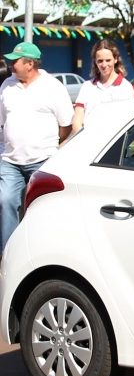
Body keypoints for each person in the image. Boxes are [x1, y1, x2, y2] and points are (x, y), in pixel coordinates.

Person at [0, 41, 74, 249]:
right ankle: (8, 253)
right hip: (10, 161)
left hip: (42, 161)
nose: (10, 64)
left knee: (42, 207)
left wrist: (52, 145)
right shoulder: (7, 86)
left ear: (30, 64)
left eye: (15, 61)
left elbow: (66, 124)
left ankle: (42, 249)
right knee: (6, 201)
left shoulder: (53, 87)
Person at [71, 39, 134, 133]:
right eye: (100, 61)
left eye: (108, 60)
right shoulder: (87, 87)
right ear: (95, 62)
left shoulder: (125, 87)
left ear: (115, 59)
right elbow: (77, 121)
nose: (104, 65)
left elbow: (128, 121)